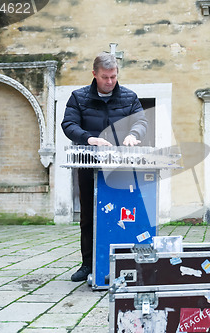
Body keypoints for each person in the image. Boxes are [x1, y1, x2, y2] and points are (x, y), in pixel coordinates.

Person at [62, 53, 147, 282]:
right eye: (105, 77)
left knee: (125, 214)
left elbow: (141, 121)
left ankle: (127, 262)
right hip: (90, 167)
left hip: (122, 170)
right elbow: (69, 124)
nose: (110, 82)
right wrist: (90, 139)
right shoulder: (78, 98)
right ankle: (88, 264)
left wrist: (133, 134)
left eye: (113, 76)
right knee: (89, 216)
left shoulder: (129, 97)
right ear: (94, 75)